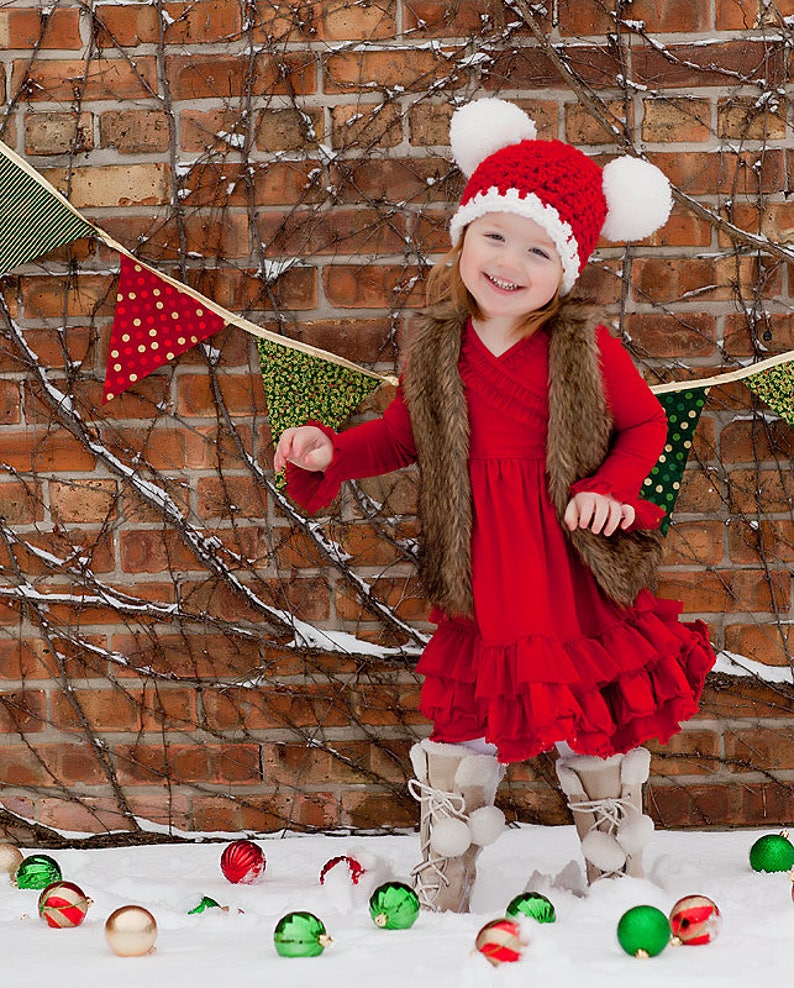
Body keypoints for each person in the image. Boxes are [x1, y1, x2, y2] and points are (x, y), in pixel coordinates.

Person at [274, 98, 716, 910]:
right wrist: (334, 451)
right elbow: (404, 437)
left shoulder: (581, 346)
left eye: (539, 249)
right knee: (468, 718)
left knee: (589, 718)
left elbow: (646, 423)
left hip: (565, 561)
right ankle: (446, 864)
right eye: (496, 235)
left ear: (568, 267)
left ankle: (614, 866)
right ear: (464, 236)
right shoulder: (437, 343)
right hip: (480, 566)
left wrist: (612, 490)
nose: (511, 261)